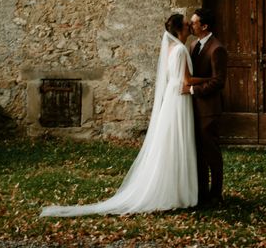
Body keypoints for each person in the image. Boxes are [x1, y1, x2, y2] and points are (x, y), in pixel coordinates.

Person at [40, 14, 199, 217]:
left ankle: (174, 189)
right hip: (179, 97)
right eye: (186, 24)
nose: (189, 26)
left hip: (172, 97)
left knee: (170, 142)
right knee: (177, 140)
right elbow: (186, 80)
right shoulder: (180, 49)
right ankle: (177, 191)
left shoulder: (170, 49)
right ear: (179, 29)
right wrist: (211, 79)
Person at [181, 8, 227, 206]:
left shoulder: (217, 49)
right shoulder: (192, 45)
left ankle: (216, 194)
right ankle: (201, 193)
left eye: (194, 22)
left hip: (209, 109)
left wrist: (192, 91)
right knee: (197, 153)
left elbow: (218, 81)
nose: (191, 25)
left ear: (204, 26)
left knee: (211, 153)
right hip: (193, 108)